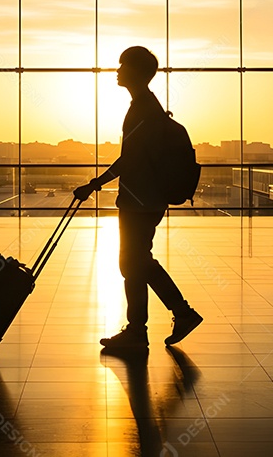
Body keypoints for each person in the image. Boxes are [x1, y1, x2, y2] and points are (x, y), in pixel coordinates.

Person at [74, 46, 203, 349]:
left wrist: (94, 184)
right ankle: (161, 320)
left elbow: (127, 161)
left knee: (133, 263)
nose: (117, 70)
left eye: (122, 65)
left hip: (139, 201)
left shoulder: (141, 110)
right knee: (135, 263)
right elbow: (132, 158)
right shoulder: (147, 107)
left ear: (136, 71)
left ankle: (148, 326)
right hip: (148, 198)